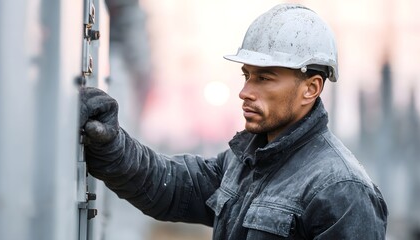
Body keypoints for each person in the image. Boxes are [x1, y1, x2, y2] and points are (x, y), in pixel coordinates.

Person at [79, 3, 388, 239]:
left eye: (265, 79)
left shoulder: (342, 191)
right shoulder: (244, 163)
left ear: (311, 88)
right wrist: (110, 145)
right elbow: (170, 185)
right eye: (247, 76)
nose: (245, 92)